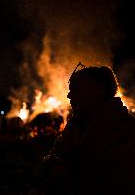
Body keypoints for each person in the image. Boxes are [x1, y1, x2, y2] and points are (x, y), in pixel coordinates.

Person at [45, 64, 135, 195]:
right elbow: (56, 156)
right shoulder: (75, 125)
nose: (69, 96)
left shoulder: (124, 129)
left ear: (99, 90)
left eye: (76, 89)